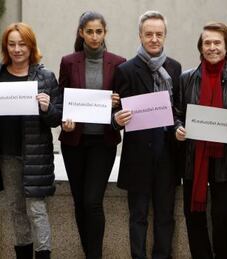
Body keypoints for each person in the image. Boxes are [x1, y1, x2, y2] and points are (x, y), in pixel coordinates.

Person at [175, 22, 227, 259]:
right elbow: (176, 113)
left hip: (226, 160)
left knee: (223, 219)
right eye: (207, 43)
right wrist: (178, 128)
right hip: (192, 159)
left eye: (218, 43)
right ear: (201, 47)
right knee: (193, 218)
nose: (212, 47)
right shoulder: (186, 79)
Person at [113, 10, 181, 259]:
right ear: (140, 36)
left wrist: (179, 128)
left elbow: (177, 111)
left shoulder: (175, 68)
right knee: (138, 216)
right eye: (149, 34)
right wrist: (117, 119)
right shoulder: (126, 70)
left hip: (168, 153)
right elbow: (117, 112)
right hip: (138, 155)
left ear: (165, 36)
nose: (154, 39)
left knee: (165, 216)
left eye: (159, 34)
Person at [58, 11, 125, 259]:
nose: (95, 36)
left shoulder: (118, 63)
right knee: (79, 201)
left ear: (105, 32)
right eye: (90, 31)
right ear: (81, 33)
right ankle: (89, 254)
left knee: (92, 201)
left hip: (103, 141)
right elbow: (60, 99)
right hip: (74, 141)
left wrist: (118, 103)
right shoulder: (68, 61)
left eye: (99, 31)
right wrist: (63, 119)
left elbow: (124, 105)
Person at [0, 22, 62, 259]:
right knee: (16, 209)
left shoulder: (45, 77)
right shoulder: (0, 74)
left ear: (31, 46)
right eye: (12, 44)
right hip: (7, 154)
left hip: (35, 154)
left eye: (22, 44)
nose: (17, 49)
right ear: (6, 47)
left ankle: (43, 255)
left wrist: (46, 108)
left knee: (36, 210)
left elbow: (56, 119)